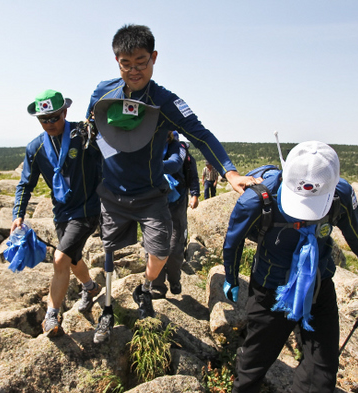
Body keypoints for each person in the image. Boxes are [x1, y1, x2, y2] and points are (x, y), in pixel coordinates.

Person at [86, 24, 258, 344]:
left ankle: (145, 286)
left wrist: (230, 172)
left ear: (154, 58)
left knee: (162, 252)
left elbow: (202, 135)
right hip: (112, 193)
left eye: (141, 62)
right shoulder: (103, 92)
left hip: (151, 193)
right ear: (116, 61)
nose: (134, 70)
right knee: (109, 254)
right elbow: (90, 127)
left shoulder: (165, 101)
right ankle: (107, 311)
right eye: (126, 63)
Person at [222, 141, 358, 393]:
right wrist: (231, 277)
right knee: (253, 365)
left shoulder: (341, 195)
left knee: (322, 372)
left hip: (318, 287)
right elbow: (233, 241)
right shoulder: (255, 199)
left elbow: (355, 230)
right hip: (271, 290)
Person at [12, 89, 103, 338]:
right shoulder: (36, 147)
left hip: (88, 208)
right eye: (44, 119)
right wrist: (18, 214)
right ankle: (91, 287)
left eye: (54, 117)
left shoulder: (81, 134)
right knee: (72, 258)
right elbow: (25, 184)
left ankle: (51, 316)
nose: (50, 123)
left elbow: (109, 154)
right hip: (61, 211)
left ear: (65, 112)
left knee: (60, 258)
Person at [150, 131, 200, 299]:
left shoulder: (180, 151)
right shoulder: (148, 147)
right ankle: (157, 284)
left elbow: (191, 174)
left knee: (174, 246)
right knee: (154, 244)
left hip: (177, 202)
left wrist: (195, 194)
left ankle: (174, 279)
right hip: (154, 202)